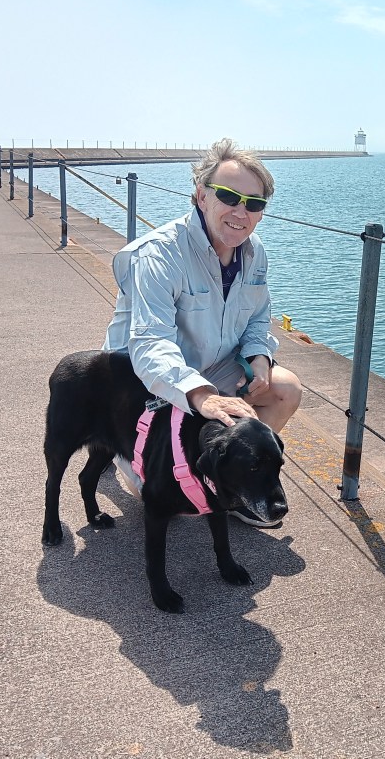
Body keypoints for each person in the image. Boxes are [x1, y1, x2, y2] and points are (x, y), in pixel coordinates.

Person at [103, 138, 302, 527]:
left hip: (213, 368)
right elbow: (150, 343)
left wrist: (259, 358)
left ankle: (232, 485)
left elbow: (259, 317)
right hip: (144, 386)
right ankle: (122, 450)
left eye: (255, 203)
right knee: (161, 499)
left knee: (285, 388)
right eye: (228, 196)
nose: (240, 212)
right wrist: (201, 396)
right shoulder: (160, 254)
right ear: (200, 195)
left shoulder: (253, 251)